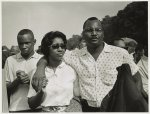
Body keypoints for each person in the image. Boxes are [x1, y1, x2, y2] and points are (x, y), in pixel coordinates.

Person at [32, 17, 146, 112]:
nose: (94, 33)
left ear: (103, 33)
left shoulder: (120, 53)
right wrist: (40, 68)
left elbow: (137, 77)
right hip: (88, 109)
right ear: (83, 34)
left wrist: (133, 99)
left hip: (114, 108)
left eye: (98, 30)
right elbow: (50, 55)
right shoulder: (73, 56)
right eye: (89, 30)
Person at [27, 31, 80, 112]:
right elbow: (31, 105)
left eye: (62, 46)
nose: (60, 49)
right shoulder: (38, 73)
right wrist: (41, 92)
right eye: (55, 46)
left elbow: (77, 97)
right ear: (47, 49)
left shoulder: (71, 70)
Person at [4, 29, 42, 112]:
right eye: (20, 43)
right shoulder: (10, 60)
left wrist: (30, 81)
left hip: (38, 108)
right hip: (16, 109)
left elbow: (45, 87)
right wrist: (17, 81)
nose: (23, 46)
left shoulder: (41, 60)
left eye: (27, 43)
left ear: (34, 42)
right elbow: (4, 90)